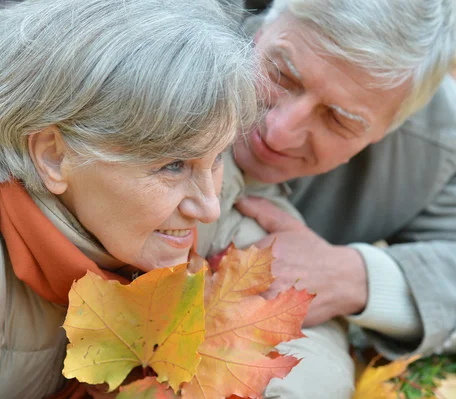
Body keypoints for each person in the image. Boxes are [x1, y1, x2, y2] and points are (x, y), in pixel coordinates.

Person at [219, 0, 456, 397]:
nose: (279, 132)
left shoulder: (427, 139)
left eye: (339, 119)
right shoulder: (165, 24)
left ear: (390, 126)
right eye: (281, 74)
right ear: (264, 26)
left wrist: (352, 276)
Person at [0, 0, 262, 397]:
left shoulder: (201, 213)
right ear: (54, 156)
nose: (208, 208)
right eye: (173, 165)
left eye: (219, 156)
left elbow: (308, 322)